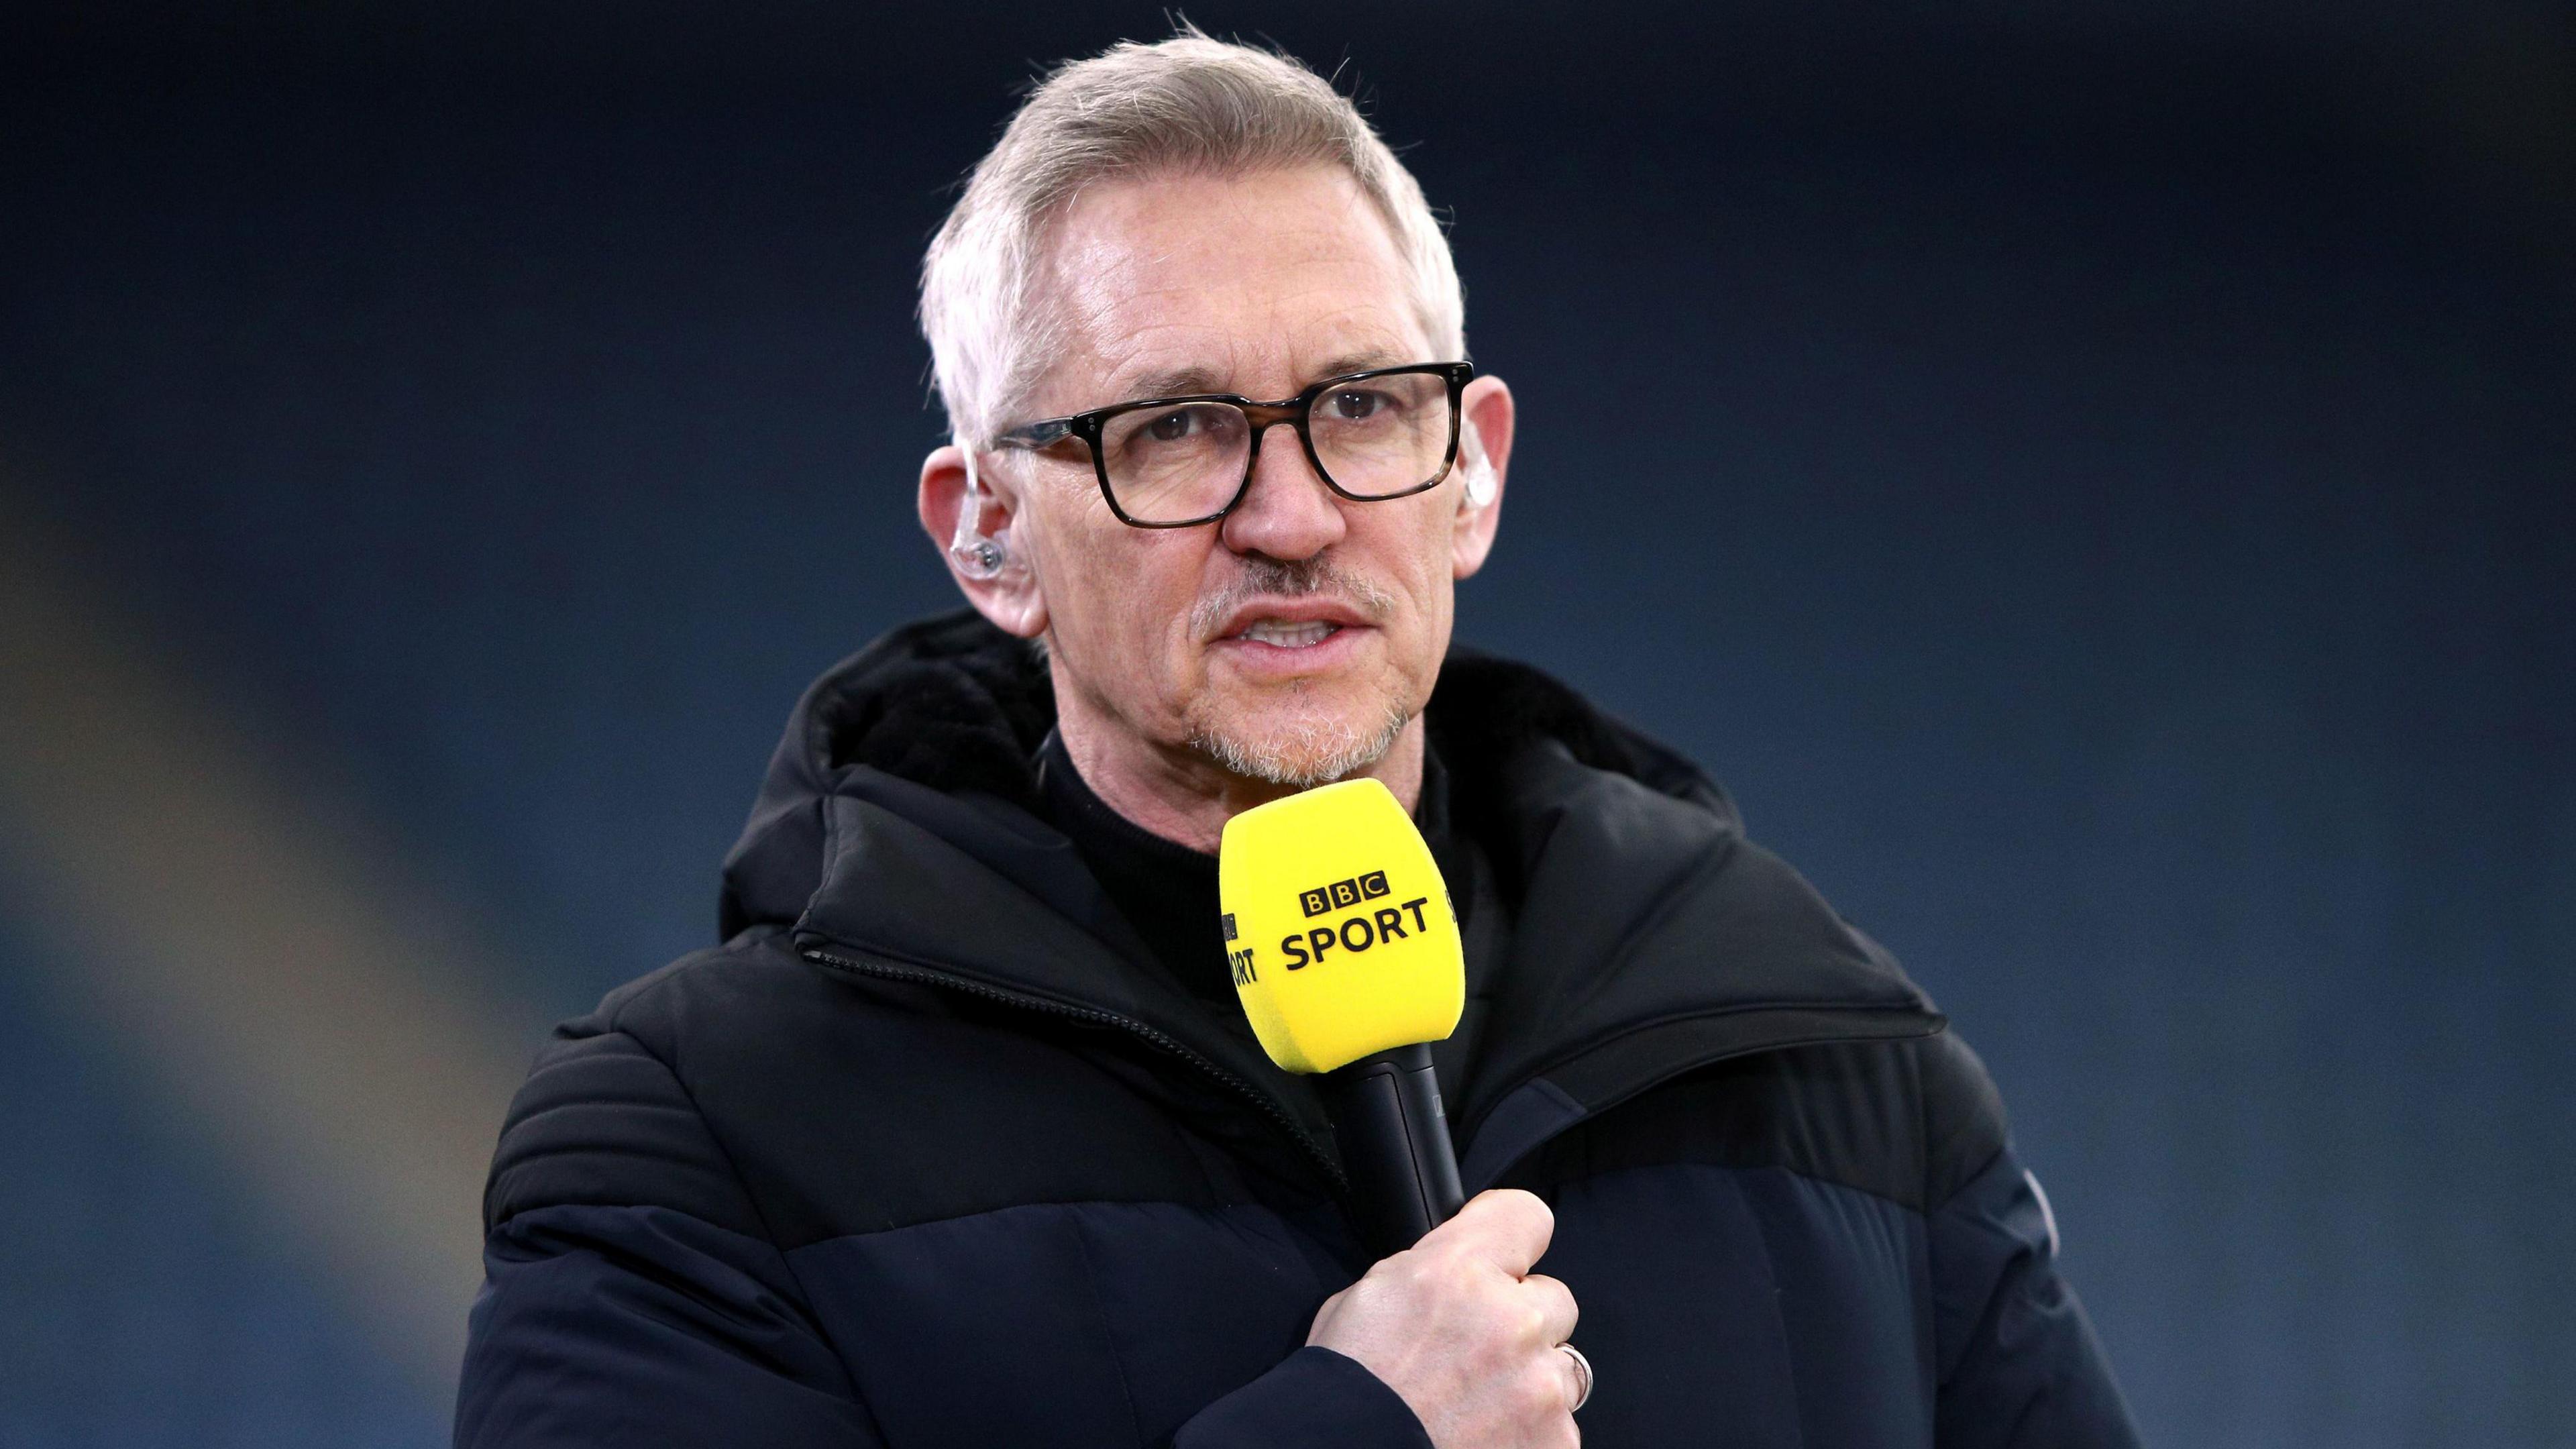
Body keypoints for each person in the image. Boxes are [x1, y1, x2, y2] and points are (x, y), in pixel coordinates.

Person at [454, 30, 2139, 1449]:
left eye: (1360, 407)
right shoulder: (696, 1142)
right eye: (1175, 428)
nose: (1293, 513)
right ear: (986, 535)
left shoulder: (1834, 1068)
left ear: (1472, 469)